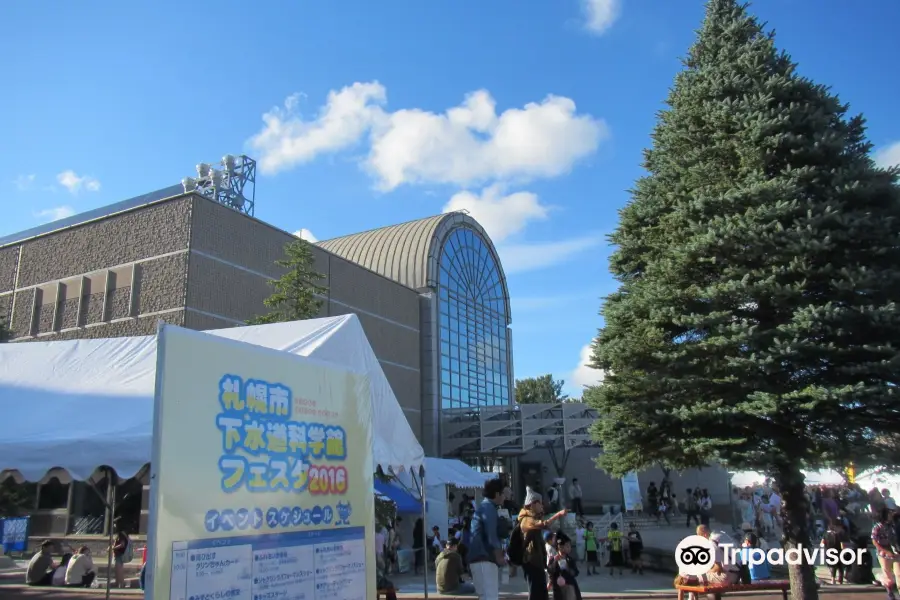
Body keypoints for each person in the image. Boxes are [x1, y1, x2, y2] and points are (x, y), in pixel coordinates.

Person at [518, 486, 567, 600]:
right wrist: (558, 515)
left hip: (537, 561)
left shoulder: (533, 517)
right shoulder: (526, 519)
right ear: (532, 504)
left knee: (542, 593)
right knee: (536, 592)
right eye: (539, 503)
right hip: (530, 561)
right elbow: (543, 524)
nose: (542, 505)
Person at [468, 478, 506, 600]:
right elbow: (491, 535)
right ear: (497, 494)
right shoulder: (488, 508)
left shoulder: (485, 507)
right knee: (489, 596)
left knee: (485, 595)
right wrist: (499, 555)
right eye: (503, 493)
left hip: (479, 559)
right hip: (484, 559)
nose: (505, 496)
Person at [871, 507, 900, 600]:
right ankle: (890, 592)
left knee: (899, 574)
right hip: (884, 554)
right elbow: (874, 541)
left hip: (895, 552)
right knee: (888, 575)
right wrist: (885, 551)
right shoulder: (877, 527)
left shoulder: (892, 525)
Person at [549, 532, 582, 600]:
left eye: (570, 546)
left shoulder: (570, 559)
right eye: (567, 546)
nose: (569, 548)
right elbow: (550, 571)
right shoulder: (553, 559)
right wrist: (555, 562)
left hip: (570, 586)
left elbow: (575, 572)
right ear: (560, 547)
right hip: (558, 588)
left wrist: (568, 568)